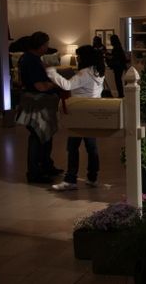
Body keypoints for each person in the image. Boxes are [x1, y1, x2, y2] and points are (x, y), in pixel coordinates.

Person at [47, 45, 105, 191]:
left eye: (79, 56)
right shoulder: (97, 71)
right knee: (91, 148)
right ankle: (92, 177)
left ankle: (70, 180)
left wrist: (51, 72)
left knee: (73, 147)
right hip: (92, 113)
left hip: (80, 114)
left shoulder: (84, 73)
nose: (77, 58)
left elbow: (67, 85)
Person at [15, 31, 62, 183]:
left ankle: (46, 166)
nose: (47, 47)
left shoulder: (27, 58)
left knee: (44, 137)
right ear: (40, 45)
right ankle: (35, 173)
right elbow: (39, 86)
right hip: (37, 104)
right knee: (38, 137)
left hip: (34, 102)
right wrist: (55, 84)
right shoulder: (32, 61)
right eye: (46, 44)